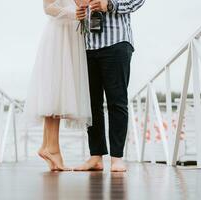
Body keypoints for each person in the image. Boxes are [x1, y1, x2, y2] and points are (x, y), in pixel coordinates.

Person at [74, 0, 145, 172]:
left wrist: (110, 4)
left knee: (117, 102)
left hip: (117, 42)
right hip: (88, 45)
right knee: (92, 104)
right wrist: (79, 13)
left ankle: (117, 158)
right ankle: (96, 157)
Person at [24, 0, 92, 171]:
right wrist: (73, 13)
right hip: (59, 33)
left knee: (59, 89)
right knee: (56, 87)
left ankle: (48, 146)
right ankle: (51, 148)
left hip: (72, 34)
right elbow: (48, 7)